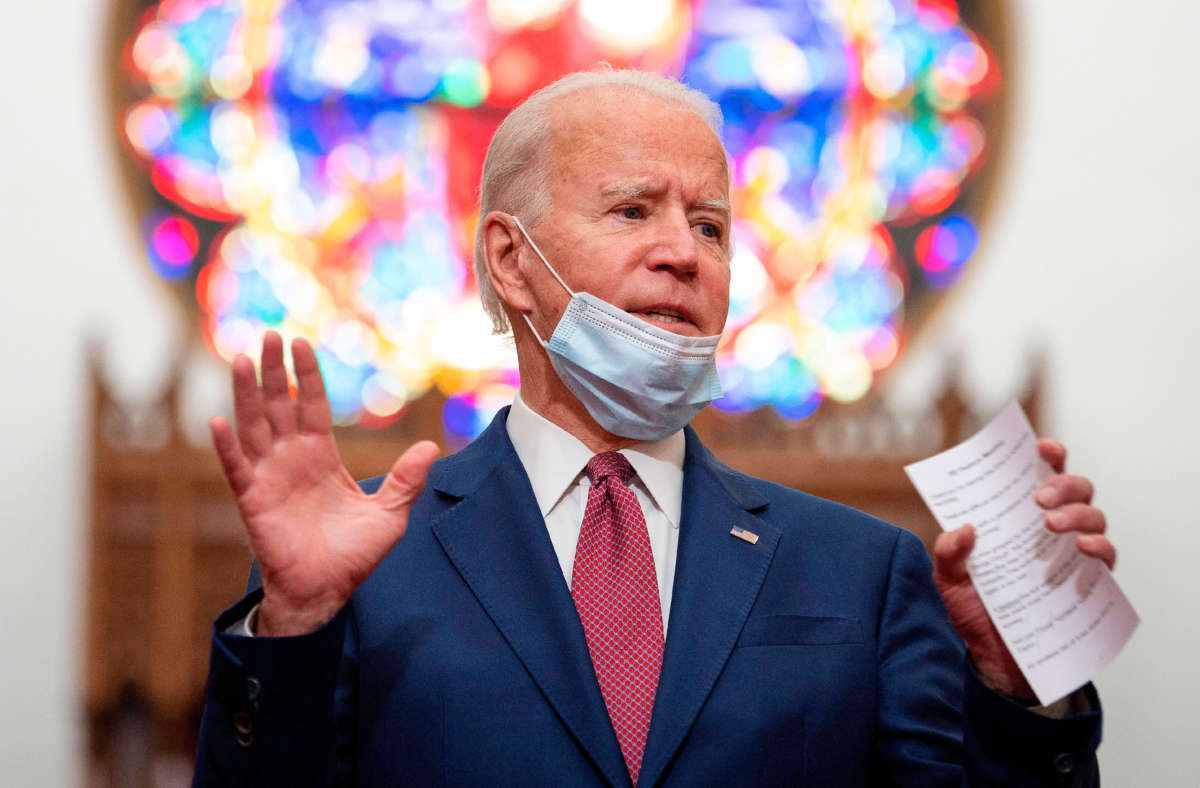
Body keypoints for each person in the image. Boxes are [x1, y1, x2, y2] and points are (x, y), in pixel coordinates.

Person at [193, 69, 1114, 787]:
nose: (684, 252)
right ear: (513, 261)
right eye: (634, 210)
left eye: (711, 226)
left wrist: (1016, 686)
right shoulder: (370, 561)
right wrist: (298, 628)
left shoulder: (859, 572)